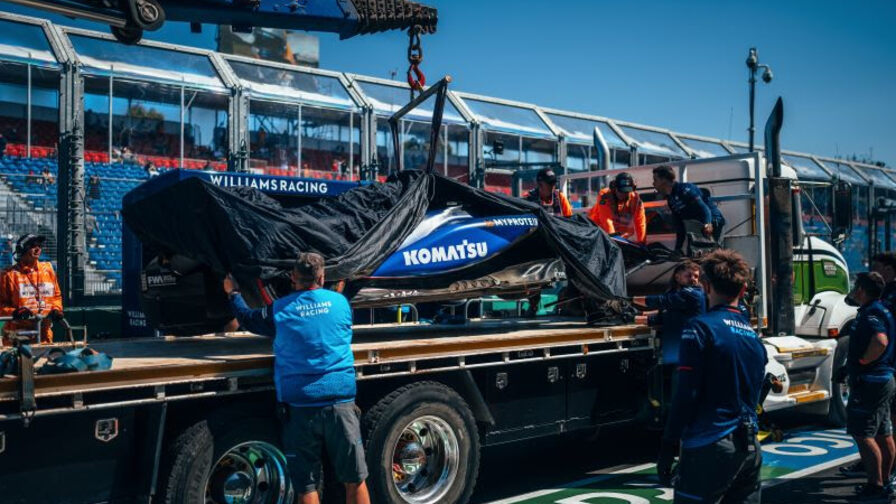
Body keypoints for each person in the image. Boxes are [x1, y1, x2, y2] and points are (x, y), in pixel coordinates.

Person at [223, 252, 370, 504]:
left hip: (301, 407)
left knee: (306, 485)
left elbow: (248, 319)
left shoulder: (280, 310)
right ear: (322, 277)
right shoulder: (341, 304)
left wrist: (233, 293)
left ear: (293, 277)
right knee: (355, 479)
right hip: (340, 403)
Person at [657, 249, 767, 503]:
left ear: (706, 286)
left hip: (710, 442)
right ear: (743, 290)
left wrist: (668, 444)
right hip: (750, 445)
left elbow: (686, 393)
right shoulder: (754, 338)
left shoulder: (700, 328)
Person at [840, 272, 896, 502]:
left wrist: (863, 361)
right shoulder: (881, 308)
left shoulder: (872, 312)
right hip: (882, 379)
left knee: (863, 434)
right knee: (883, 433)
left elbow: (880, 341)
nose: (854, 290)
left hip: (871, 381)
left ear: (862, 290)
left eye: (856, 286)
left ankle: (876, 486)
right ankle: (885, 482)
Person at [633, 260, 705, 366]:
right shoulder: (677, 293)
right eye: (689, 275)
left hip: (690, 350)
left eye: (696, 276)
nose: (693, 279)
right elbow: (664, 315)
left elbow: (662, 301)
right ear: (677, 277)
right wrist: (635, 316)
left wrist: (631, 300)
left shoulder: (692, 293)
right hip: (676, 350)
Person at [0, 234, 64, 345]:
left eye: (39, 245)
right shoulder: (8, 275)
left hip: (44, 335)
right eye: (33, 246)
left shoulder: (48, 269)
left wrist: (56, 309)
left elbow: (56, 296)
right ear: (22, 249)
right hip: (16, 337)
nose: (38, 249)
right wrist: (15, 312)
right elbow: (1, 304)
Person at [651, 165, 725, 254]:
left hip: (712, 220)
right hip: (697, 226)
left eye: (655, 180)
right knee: (694, 254)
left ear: (664, 180)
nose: (653, 183)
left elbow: (704, 209)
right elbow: (679, 225)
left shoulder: (685, 190)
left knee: (714, 254)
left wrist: (707, 224)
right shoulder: (671, 199)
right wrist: (678, 248)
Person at [589, 172, 647, 244]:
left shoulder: (635, 200)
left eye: (626, 192)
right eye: (621, 191)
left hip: (620, 238)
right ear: (614, 187)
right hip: (599, 234)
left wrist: (642, 242)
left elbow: (640, 222)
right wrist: (614, 240)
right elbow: (606, 220)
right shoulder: (605, 196)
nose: (623, 194)